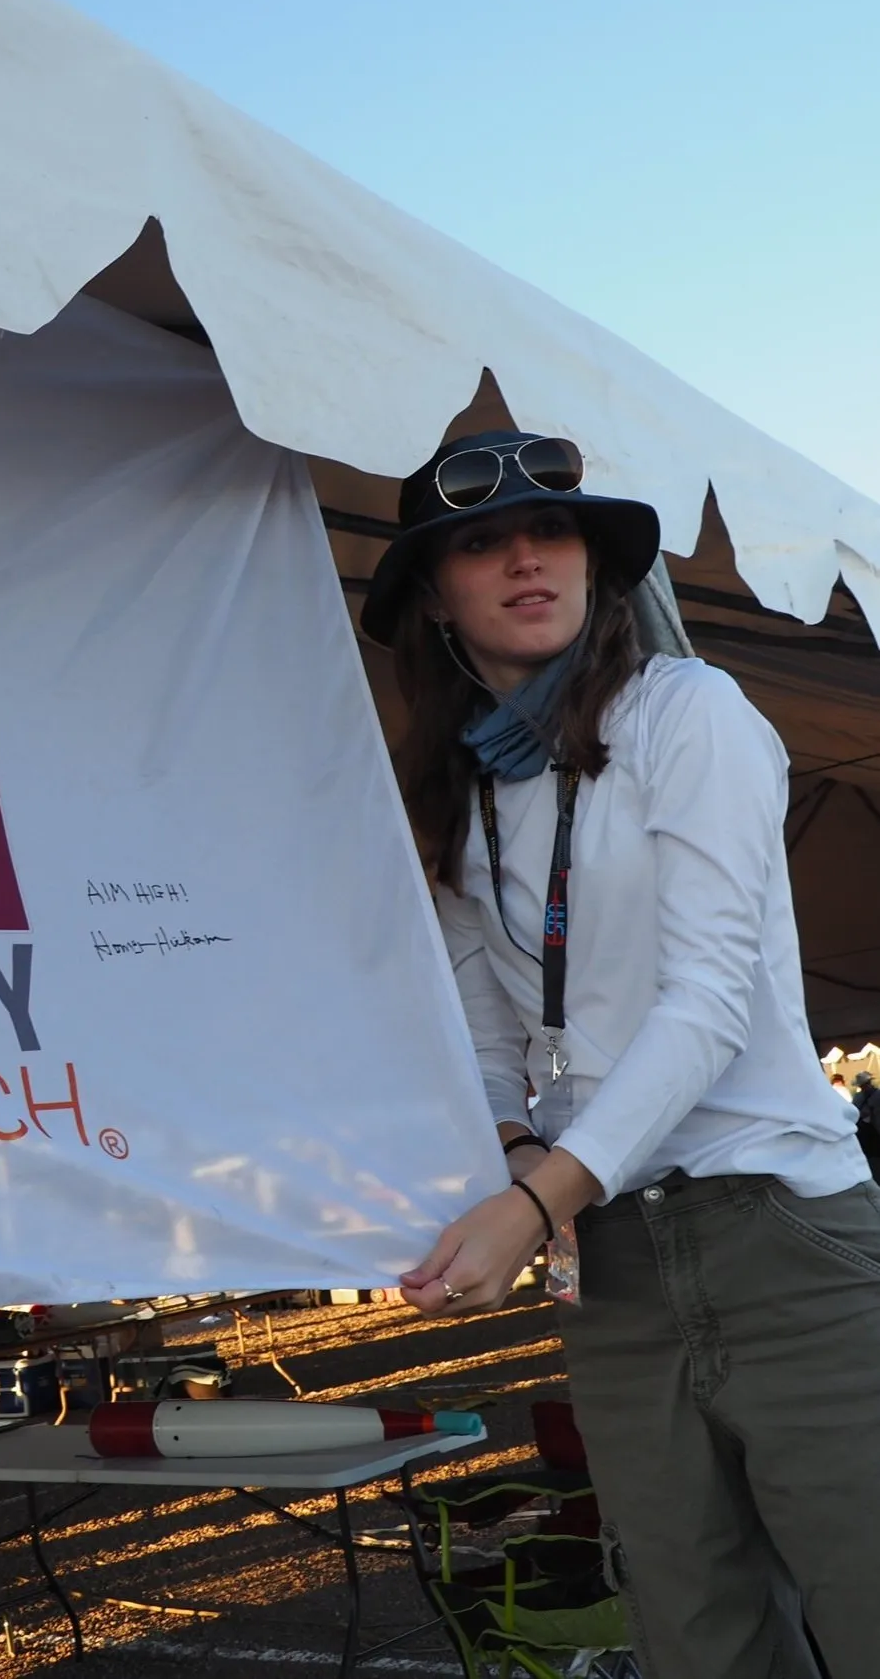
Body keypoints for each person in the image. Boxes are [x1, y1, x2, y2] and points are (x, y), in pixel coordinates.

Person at [363, 402, 878, 1679]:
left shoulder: (686, 711)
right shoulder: (459, 786)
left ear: (596, 566)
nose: (526, 558)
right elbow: (487, 1028)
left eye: (554, 531)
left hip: (784, 1229)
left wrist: (534, 1200)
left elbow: (707, 1002)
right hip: (613, 1261)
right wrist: (507, 1147)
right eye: (482, 543)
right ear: (433, 595)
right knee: (696, 1635)